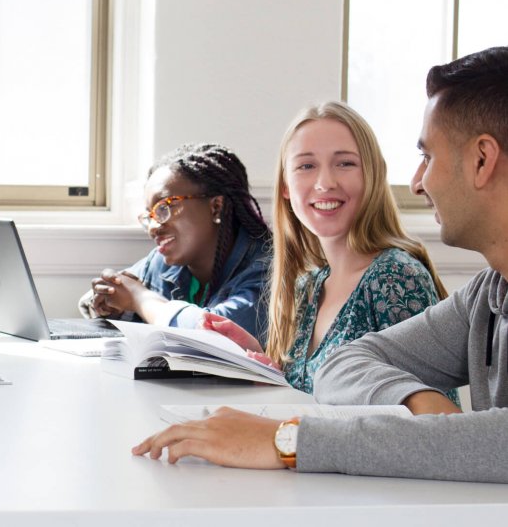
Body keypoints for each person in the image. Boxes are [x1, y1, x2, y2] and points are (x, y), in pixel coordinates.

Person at [133, 46, 508, 484]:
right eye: (306, 166)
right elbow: (342, 365)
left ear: (482, 160)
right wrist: (421, 405)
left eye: (428, 156)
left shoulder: (396, 274)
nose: (419, 181)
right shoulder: (486, 296)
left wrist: (285, 440)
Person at [202, 102, 448, 393]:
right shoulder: (308, 286)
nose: (325, 183)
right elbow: (313, 406)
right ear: (285, 187)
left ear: (372, 174)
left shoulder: (395, 278)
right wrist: (261, 368)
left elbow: (429, 423)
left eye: (345, 163)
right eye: (306, 166)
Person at [79, 143, 272, 341]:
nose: (153, 227)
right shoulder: (160, 262)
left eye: (164, 207)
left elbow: (216, 337)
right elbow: (108, 293)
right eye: (149, 215)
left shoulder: (270, 270)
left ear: (216, 207)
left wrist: (140, 297)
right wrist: (111, 307)